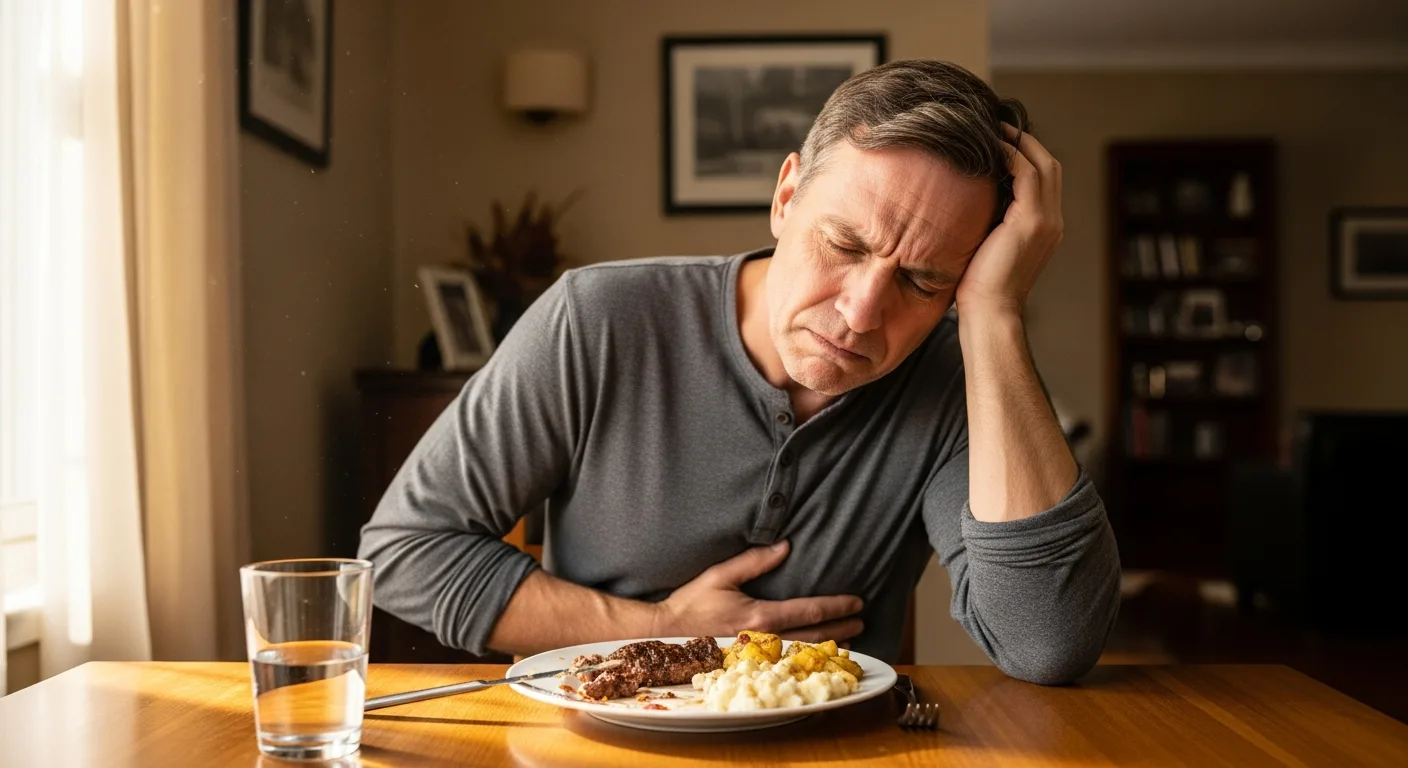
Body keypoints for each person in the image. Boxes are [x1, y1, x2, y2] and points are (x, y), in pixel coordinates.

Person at [359, 59, 1121, 685]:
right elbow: (404, 551)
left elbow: (1047, 644)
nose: (861, 312)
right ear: (786, 196)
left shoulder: (960, 378)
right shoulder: (598, 319)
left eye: (923, 281)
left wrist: (994, 315)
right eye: (844, 245)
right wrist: (662, 630)